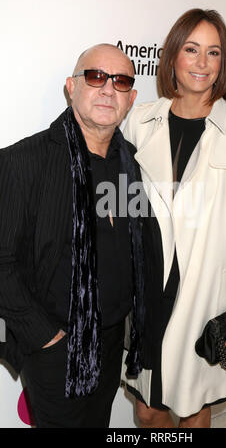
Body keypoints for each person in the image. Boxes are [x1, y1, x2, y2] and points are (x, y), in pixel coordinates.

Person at [121, 9, 226, 428]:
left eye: (214, 53)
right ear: (173, 56)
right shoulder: (139, 121)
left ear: (223, 63)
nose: (202, 63)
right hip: (149, 290)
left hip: (204, 292)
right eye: (192, 50)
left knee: (192, 405)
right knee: (148, 407)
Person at [0, 44, 146, 428]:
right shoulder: (24, 161)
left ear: (131, 99)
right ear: (71, 86)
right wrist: (46, 337)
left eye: (121, 82)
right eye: (96, 77)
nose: (108, 89)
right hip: (56, 349)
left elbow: (129, 251)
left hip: (113, 341)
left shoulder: (129, 163)